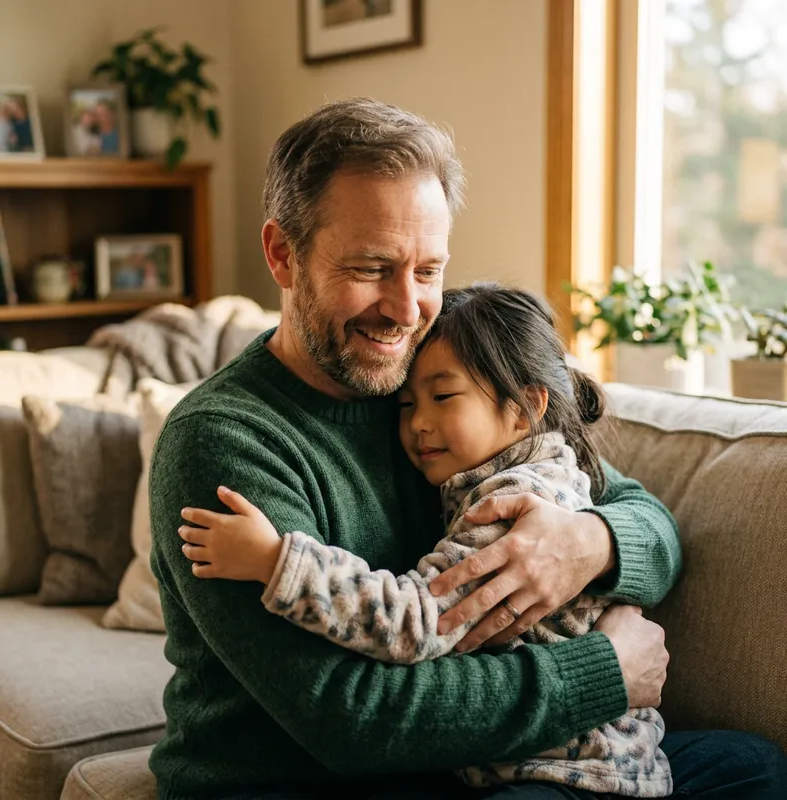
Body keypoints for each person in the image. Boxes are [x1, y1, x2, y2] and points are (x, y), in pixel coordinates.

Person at [149, 98, 787, 799]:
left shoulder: (435, 384)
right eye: (372, 268)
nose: (406, 310)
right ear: (283, 255)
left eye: (427, 271)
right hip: (308, 780)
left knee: (750, 766)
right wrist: (606, 672)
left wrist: (588, 543)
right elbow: (352, 721)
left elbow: (648, 520)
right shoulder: (222, 440)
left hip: (475, 762)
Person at [179, 284, 672, 797]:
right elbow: (351, 718)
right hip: (554, 755)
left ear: (525, 407)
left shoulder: (510, 496)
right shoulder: (231, 435)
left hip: (567, 767)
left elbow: (417, 619)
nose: (418, 424)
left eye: (443, 398)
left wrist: (279, 563)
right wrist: (609, 671)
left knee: (731, 761)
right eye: (407, 405)